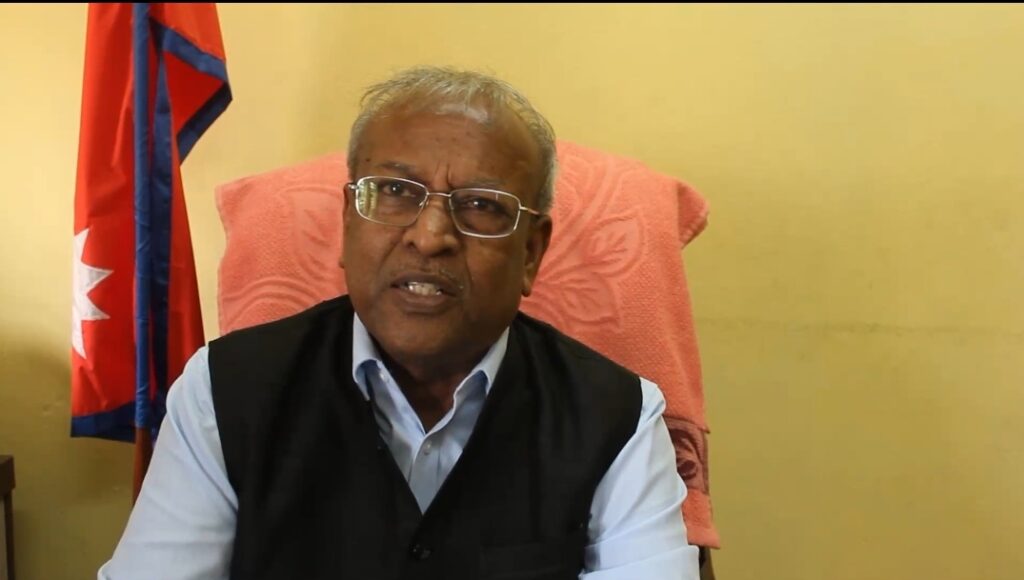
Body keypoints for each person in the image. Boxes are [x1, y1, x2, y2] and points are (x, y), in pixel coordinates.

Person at [99, 66, 700, 579]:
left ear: (531, 253)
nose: (430, 236)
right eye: (394, 191)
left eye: (481, 205)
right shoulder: (224, 392)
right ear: (347, 221)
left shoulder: (620, 416)